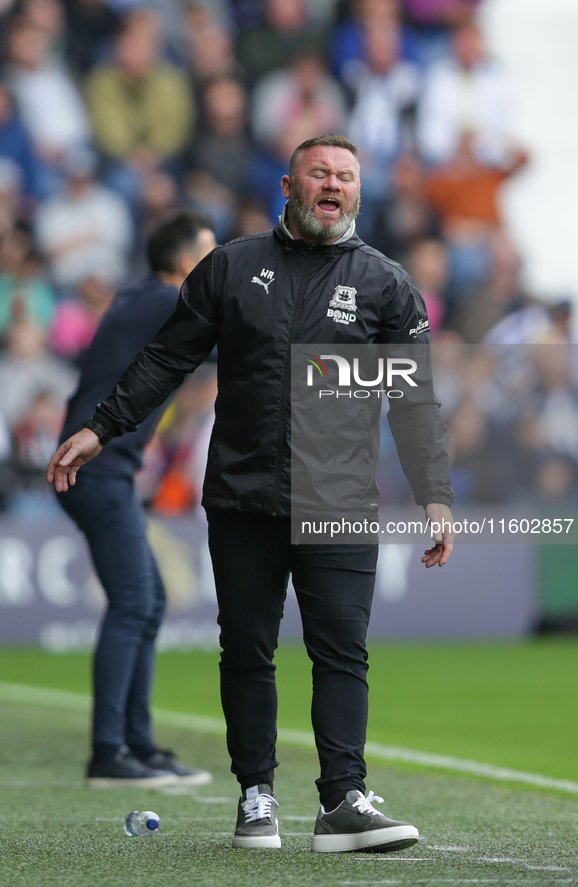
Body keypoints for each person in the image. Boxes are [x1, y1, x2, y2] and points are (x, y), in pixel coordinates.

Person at [47, 135, 455, 848]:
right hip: (243, 498)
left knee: (341, 653)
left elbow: (413, 400)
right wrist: (101, 427)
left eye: (345, 177)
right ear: (288, 187)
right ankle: (256, 795)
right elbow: (166, 358)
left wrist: (436, 495)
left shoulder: (388, 284)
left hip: (340, 504)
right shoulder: (231, 265)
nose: (332, 185)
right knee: (245, 650)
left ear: (357, 192)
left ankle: (342, 799)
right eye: (319, 174)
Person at [54, 210, 217, 787]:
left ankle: (138, 747)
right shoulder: (162, 301)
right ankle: (109, 753)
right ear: (183, 265)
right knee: (135, 602)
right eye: (211, 254)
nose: (218, 266)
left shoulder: (141, 299)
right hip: (94, 471)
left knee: (144, 601)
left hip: (102, 470)